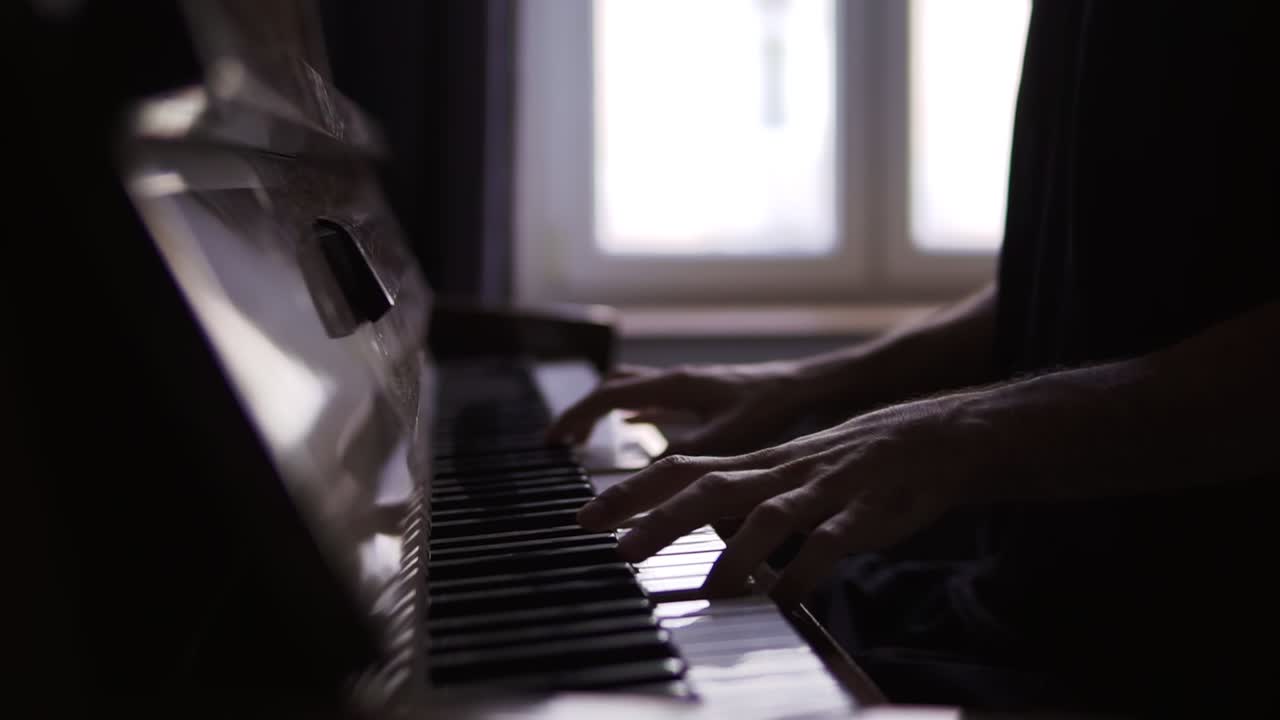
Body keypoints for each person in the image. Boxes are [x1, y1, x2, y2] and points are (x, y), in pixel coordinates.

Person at [548, 1, 1278, 713]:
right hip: (1012, 606)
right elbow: (1085, 273)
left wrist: (950, 433)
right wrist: (806, 383)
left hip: (1185, 659)